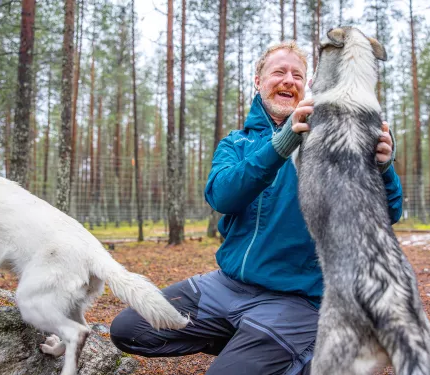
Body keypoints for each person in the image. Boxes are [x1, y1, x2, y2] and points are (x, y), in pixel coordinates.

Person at [110, 41, 403, 375]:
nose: (289, 80)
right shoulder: (237, 143)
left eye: (298, 75)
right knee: (130, 329)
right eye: (278, 72)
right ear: (258, 82)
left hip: (296, 298)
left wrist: (382, 168)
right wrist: (281, 145)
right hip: (226, 285)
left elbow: (387, 214)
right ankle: (257, 343)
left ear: (306, 87)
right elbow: (222, 196)